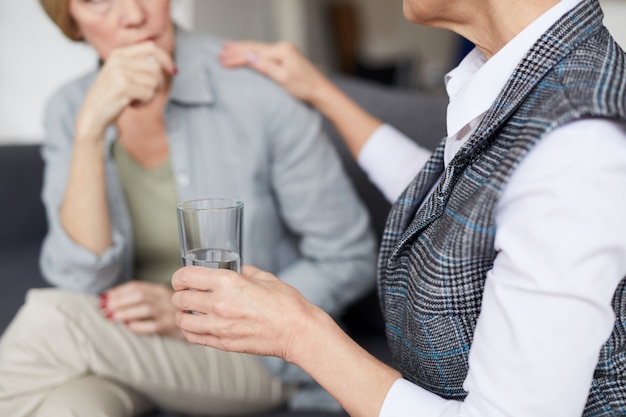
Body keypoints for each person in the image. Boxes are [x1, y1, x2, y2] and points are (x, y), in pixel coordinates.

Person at [171, 0, 626, 416]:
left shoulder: (575, 149)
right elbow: (464, 205)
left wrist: (299, 332)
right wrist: (319, 90)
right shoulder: (537, 77)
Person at [0, 0, 378, 416]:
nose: (131, 14)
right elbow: (78, 280)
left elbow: (349, 255)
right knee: (67, 408)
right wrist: (89, 131)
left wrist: (201, 310)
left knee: (50, 321)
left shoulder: (256, 89)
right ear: (70, 20)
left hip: (255, 354)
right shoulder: (70, 108)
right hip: (125, 348)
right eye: (97, 1)